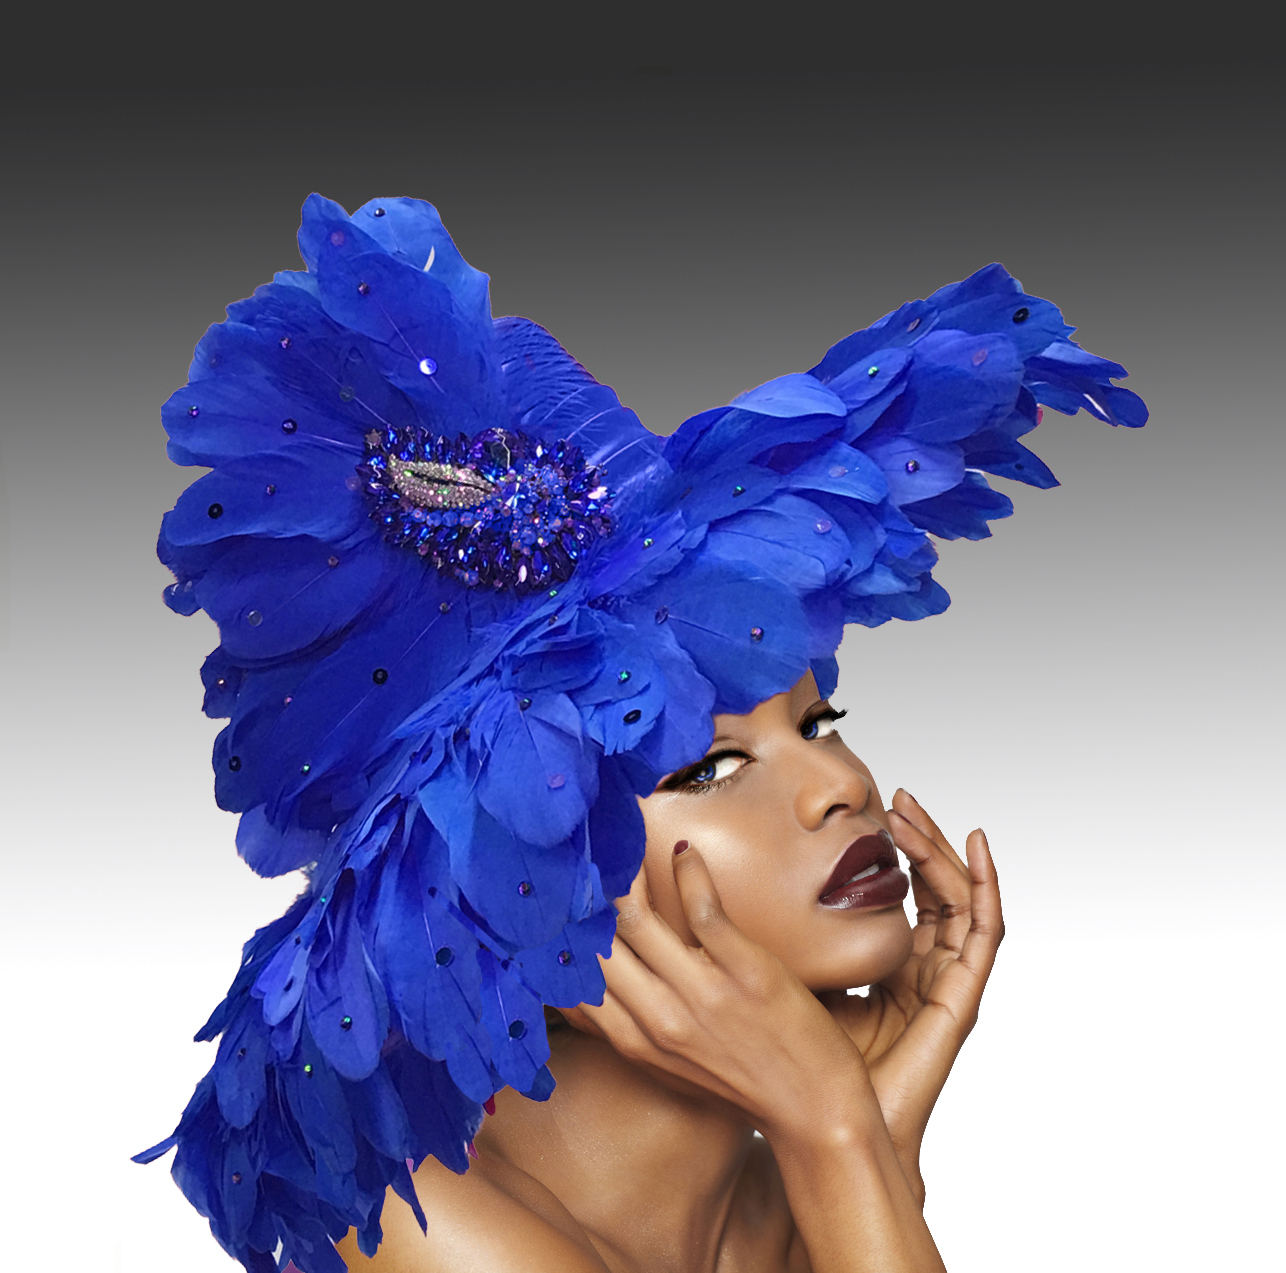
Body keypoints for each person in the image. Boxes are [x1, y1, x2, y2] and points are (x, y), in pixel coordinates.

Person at [135, 194, 1146, 1273]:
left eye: (820, 722)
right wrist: (841, 1137)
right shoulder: (420, 1226)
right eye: (710, 767)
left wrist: (866, 1131)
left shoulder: (787, 1188)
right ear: (518, 879)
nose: (837, 787)